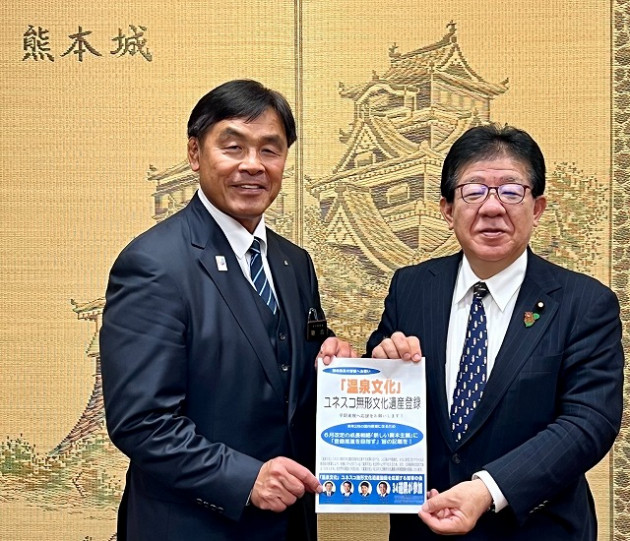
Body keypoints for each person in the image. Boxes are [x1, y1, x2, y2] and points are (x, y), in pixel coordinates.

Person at [100, 79, 354, 541]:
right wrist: (245, 479)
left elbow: (287, 377)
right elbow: (140, 422)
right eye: (233, 147)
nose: (252, 165)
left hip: (289, 524)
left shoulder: (294, 262)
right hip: (193, 526)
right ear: (195, 153)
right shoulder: (153, 263)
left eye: (270, 150)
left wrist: (330, 363)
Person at [366, 124, 623, 539]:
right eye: (473, 191)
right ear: (447, 209)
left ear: (537, 208)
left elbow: (589, 422)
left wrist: (488, 489)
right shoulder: (411, 287)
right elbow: (383, 379)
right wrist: (381, 359)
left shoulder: (585, 303)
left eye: (510, 191)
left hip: (537, 529)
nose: (491, 207)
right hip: (424, 527)